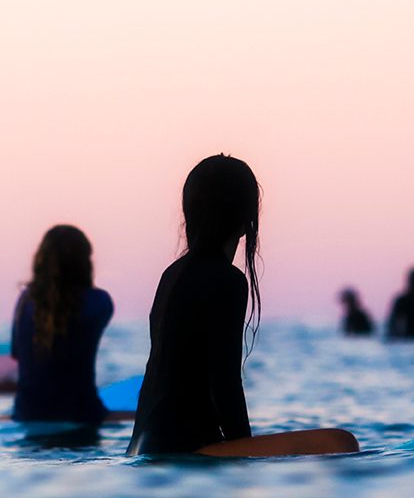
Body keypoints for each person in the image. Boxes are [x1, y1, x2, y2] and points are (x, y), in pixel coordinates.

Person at [127, 155, 359, 457]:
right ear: (246, 220)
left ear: (190, 214)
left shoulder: (172, 275)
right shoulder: (227, 280)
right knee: (341, 443)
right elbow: (224, 384)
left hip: (141, 446)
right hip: (182, 448)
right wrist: (245, 456)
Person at [11, 225, 114, 423]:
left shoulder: (25, 301)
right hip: (81, 415)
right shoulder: (100, 301)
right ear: (85, 261)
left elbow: (18, 354)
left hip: (27, 416)